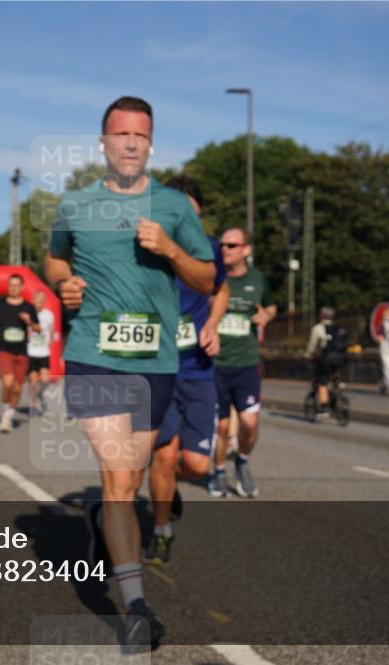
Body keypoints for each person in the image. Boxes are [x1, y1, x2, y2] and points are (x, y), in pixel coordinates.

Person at [45, 96, 215, 646]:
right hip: (93, 353)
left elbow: (207, 279)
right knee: (119, 479)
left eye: (140, 135)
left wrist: (169, 248)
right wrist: (62, 282)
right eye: (121, 134)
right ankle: (137, 607)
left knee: (132, 478)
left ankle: (99, 527)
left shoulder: (174, 208)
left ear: (151, 144)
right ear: (103, 142)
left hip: (155, 362)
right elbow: (54, 258)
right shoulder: (74, 206)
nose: (130, 143)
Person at [144, 176, 228, 566]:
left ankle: (167, 490)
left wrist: (213, 323)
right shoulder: (147, 248)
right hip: (157, 370)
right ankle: (161, 530)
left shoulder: (209, 250)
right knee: (164, 455)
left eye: (191, 213)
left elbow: (220, 289)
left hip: (197, 369)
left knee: (194, 464)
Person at [207, 227, 276, 499]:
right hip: (216, 364)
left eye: (232, 245)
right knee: (222, 427)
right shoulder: (211, 278)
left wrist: (266, 317)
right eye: (223, 245)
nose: (225, 249)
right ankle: (219, 471)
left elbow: (270, 307)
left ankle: (242, 460)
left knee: (249, 425)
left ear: (246, 250)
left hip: (247, 364)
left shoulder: (258, 280)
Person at [0, 274, 40, 433]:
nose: (14, 288)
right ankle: (5, 411)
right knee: (8, 383)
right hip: (4, 349)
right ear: (8, 287)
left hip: (22, 352)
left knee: (16, 388)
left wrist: (29, 322)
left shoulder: (28, 307)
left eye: (17, 285)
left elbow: (39, 329)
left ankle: (8, 416)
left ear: (22, 287)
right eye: (11, 285)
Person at [305, 306, 345, 412]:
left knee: (322, 381)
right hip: (340, 358)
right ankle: (338, 387)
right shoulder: (338, 328)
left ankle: (323, 407)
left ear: (321, 316)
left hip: (326, 358)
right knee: (334, 373)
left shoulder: (318, 328)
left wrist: (308, 355)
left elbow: (312, 345)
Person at [27, 290, 56, 414]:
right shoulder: (28, 315)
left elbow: (52, 331)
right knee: (33, 382)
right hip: (31, 352)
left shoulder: (49, 315)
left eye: (42, 301)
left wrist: (51, 340)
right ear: (33, 300)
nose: (39, 303)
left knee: (45, 380)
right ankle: (33, 404)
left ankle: (40, 394)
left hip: (44, 352)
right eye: (37, 300)